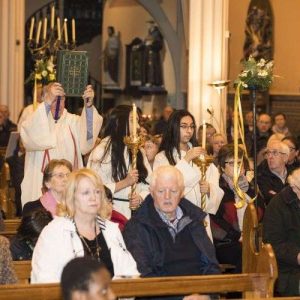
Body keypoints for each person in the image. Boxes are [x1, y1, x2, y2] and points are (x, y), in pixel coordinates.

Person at [31, 168, 139, 283]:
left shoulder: (111, 230)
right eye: (86, 192)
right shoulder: (54, 232)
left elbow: (130, 274)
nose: (93, 197)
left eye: (97, 192)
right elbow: (44, 282)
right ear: (71, 197)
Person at [123, 165, 220, 278]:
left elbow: (211, 265)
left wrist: (207, 295)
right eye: (161, 191)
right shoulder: (136, 227)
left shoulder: (194, 219)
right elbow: (143, 274)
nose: (167, 196)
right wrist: (181, 296)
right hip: (162, 292)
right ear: (151, 192)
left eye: (173, 191)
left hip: (199, 290)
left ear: (182, 192)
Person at [20, 82, 102, 207]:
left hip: (68, 186)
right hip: (40, 184)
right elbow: (28, 136)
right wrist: (47, 104)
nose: (58, 103)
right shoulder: (35, 119)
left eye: (61, 99)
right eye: (53, 99)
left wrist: (89, 106)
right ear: (44, 98)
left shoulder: (73, 121)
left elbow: (87, 143)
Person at [154, 110, 223, 240]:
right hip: (177, 217)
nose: (189, 130)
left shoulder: (201, 155)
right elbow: (166, 186)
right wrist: (186, 159)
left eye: (191, 126)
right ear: (174, 127)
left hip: (200, 217)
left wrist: (209, 190)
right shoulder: (162, 157)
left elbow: (214, 180)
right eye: (184, 126)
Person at [88, 105, 151, 219]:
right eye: (132, 121)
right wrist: (125, 183)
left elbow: (150, 184)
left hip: (136, 214)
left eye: (137, 121)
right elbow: (93, 187)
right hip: (110, 210)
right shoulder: (102, 151)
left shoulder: (139, 152)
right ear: (118, 122)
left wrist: (140, 197)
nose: (137, 127)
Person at [210, 144, 264, 273]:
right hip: (226, 242)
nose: (237, 167)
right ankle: (239, 292)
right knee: (245, 255)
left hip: (249, 238)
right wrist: (237, 236)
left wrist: (249, 191)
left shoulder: (250, 186)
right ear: (222, 167)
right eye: (231, 163)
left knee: (266, 254)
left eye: (240, 162)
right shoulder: (218, 188)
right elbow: (215, 221)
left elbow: (261, 211)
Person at [263, 168, 300, 296]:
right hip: (288, 269)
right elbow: (273, 244)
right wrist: (297, 256)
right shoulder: (278, 205)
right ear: (294, 188)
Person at [257, 140, 289, 205]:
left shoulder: (294, 174)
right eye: (268, 153)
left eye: (275, 153)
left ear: (285, 157)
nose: (270, 157)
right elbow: (270, 200)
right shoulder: (260, 177)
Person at [6, 138, 25, 216]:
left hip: (27, 181)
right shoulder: (11, 159)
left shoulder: (30, 156)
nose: (23, 145)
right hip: (18, 181)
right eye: (21, 143)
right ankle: (20, 213)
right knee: (18, 195)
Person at [143, 21, 164, 87]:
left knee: (153, 67)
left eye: (148, 24)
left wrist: (152, 44)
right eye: (147, 25)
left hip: (154, 53)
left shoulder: (157, 33)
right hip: (148, 53)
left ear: (152, 25)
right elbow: (145, 42)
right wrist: (138, 46)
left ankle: (154, 82)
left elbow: (160, 44)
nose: (147, 26)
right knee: (149, 67)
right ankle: (149, 81)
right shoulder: (149, 34)